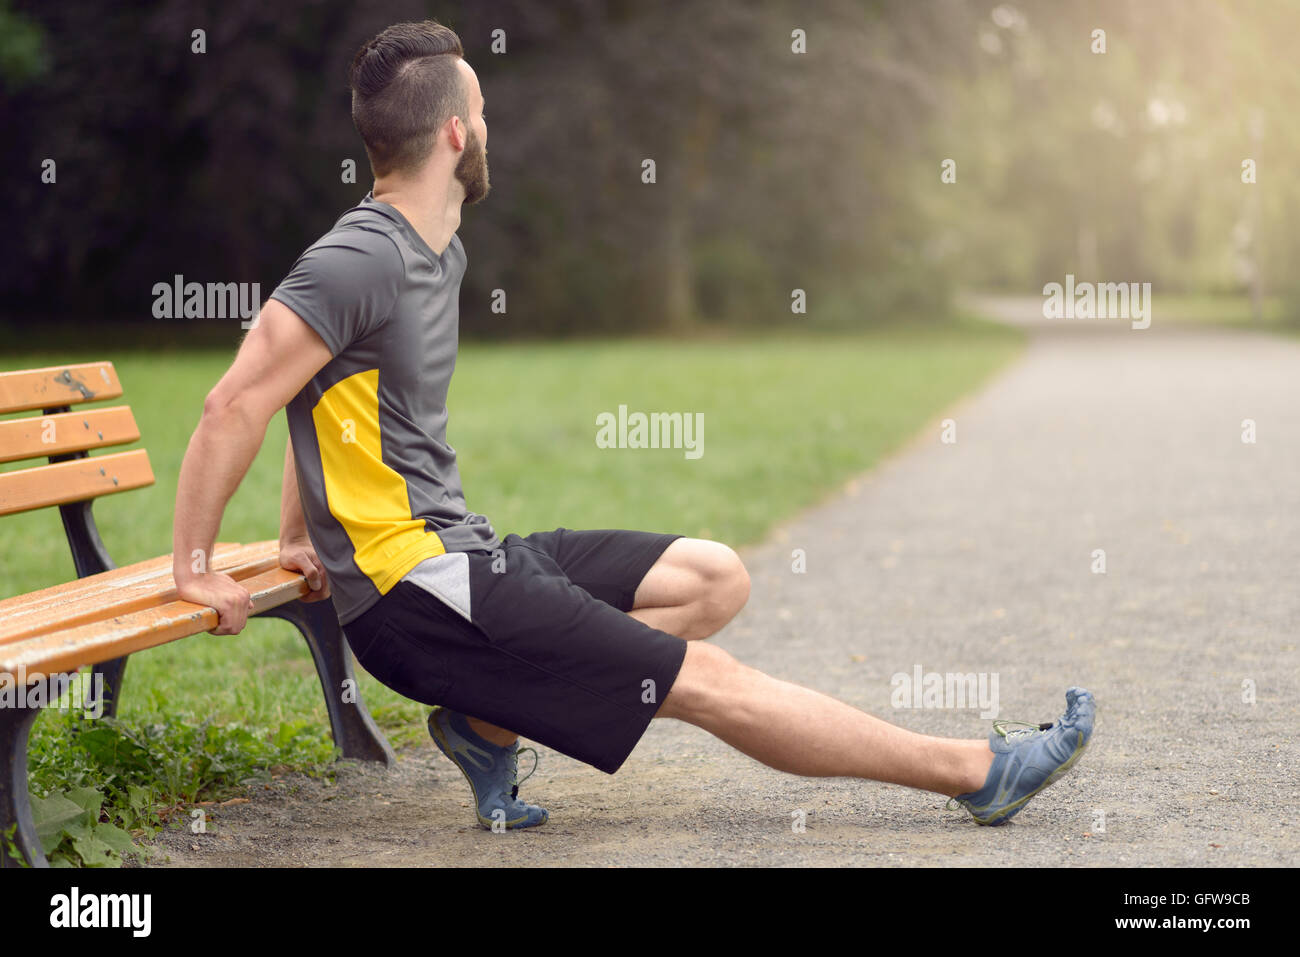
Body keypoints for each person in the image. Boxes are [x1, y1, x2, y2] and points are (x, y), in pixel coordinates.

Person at [171, 19, 1094, 833]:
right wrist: (195, 565)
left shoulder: (435, 250)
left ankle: (484, 723)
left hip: (460, 551)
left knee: (709, 578)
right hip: (418, 591)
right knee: (705, 678)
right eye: (482, 113)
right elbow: (238, 399)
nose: (489, 128)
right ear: (456, 132)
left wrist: (301, 533)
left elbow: (323, 396)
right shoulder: (356, 257)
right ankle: (976, 772)